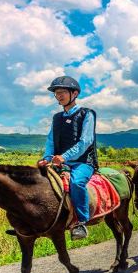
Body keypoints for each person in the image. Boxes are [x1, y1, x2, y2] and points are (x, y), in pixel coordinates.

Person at [38, 76, 97, 240]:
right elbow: (50, 140)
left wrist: (64, 157)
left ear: (75, 93)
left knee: (77, 183)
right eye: (56, 93)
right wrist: (47, 158)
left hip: (83, 162)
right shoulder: (56, 118)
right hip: (58, 162)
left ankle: (81, 223)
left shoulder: (87, 114)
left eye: (62, 92)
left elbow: (86, 141)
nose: (59, 96)